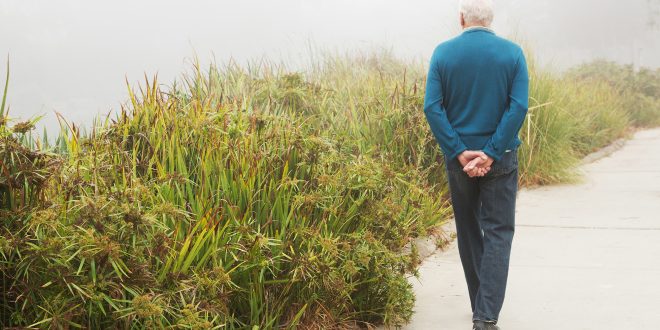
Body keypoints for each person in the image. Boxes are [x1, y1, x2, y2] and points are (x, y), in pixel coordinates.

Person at [422, 0, 529, 329]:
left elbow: (432, 108)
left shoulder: (443, 53)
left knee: (469, 231)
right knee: (498, 232)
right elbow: (518, 107)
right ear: (491, 18)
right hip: (501, 159)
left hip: (459, 162)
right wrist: (493, 152)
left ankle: (480, 306)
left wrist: (459, 150)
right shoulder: (513, 54)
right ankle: (485, 315)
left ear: (461, 18)